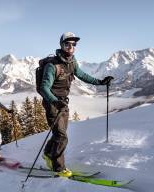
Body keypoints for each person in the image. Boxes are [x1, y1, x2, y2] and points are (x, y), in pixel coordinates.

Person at [40, 32, 114, 177]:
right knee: (62, 137)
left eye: (74, 44)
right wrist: (55, 101)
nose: (71, 46)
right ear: (62, 45)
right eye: (68, 43)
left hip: (63, 103)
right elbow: (44, 88)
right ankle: (58, 168)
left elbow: (82, 75)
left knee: (59, 135)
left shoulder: (72, 62)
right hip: (52, 103)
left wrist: (100, 82)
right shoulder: (52, 65)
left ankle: (48, 154)